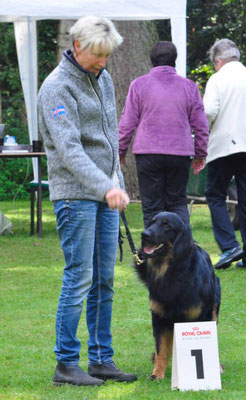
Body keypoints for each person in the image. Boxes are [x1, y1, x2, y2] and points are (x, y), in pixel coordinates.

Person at [38, 16, 137, 387]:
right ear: (77, 45)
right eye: (97, 55)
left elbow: (108, 138)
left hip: (105, 192)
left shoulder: (104, 78)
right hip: (75, 195)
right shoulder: (56, 88)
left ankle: (101, 360)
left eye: (107, 55)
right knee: (79, 278)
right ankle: (66, 364)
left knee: (105, 280)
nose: (103, 62)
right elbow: (69, 150)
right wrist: (105, 186)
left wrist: (117, 181)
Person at [118, 41, 209, 228]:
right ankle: (184, 252)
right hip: (179, 153)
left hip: (148, 152)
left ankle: (154, 252)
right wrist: (200, 153)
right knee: (177, 203)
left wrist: (120, 151)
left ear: (152, 60)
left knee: (152, 207)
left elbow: (127, 123)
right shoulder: (189, 87)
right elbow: (201, 125)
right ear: (174, 60)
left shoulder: (139, 85)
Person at [203, 38, 246, 270]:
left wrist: (206, 127)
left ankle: (229, 246)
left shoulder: (217, 79)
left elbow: (209, 110)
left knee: (215, 194)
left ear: (218, 61)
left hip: (224, 145)